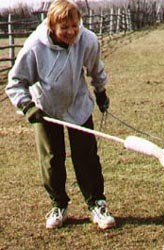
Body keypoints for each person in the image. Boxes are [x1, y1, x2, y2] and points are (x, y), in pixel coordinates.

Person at [5, 0, 116, 230]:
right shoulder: (35, 46)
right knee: (52, 159)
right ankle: (58, 205)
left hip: (78, 104)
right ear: (52, 26)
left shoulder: (87, 40)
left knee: (86, 156)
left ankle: (97, 203)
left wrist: (101, 92)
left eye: (74, 26)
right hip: (45, 109)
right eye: (64, 28)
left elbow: (96, 68)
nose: (71, 32)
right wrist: (27, 106)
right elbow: (15, 82)